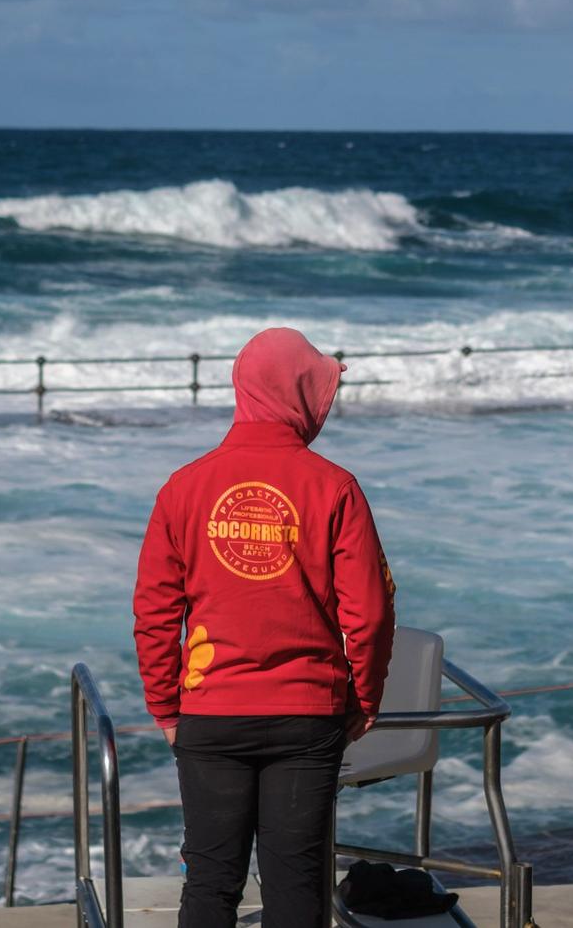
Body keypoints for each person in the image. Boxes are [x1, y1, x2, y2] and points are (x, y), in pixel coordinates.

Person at [134, 327, 398, 928]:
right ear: (300, 394)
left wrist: (165, 709)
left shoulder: (184, 486)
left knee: (209, 881)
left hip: (210, 712)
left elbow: (153, 612)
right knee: (296, 885)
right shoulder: (335, 487)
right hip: (308, 715)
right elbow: (371, 613)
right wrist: (365, 698)